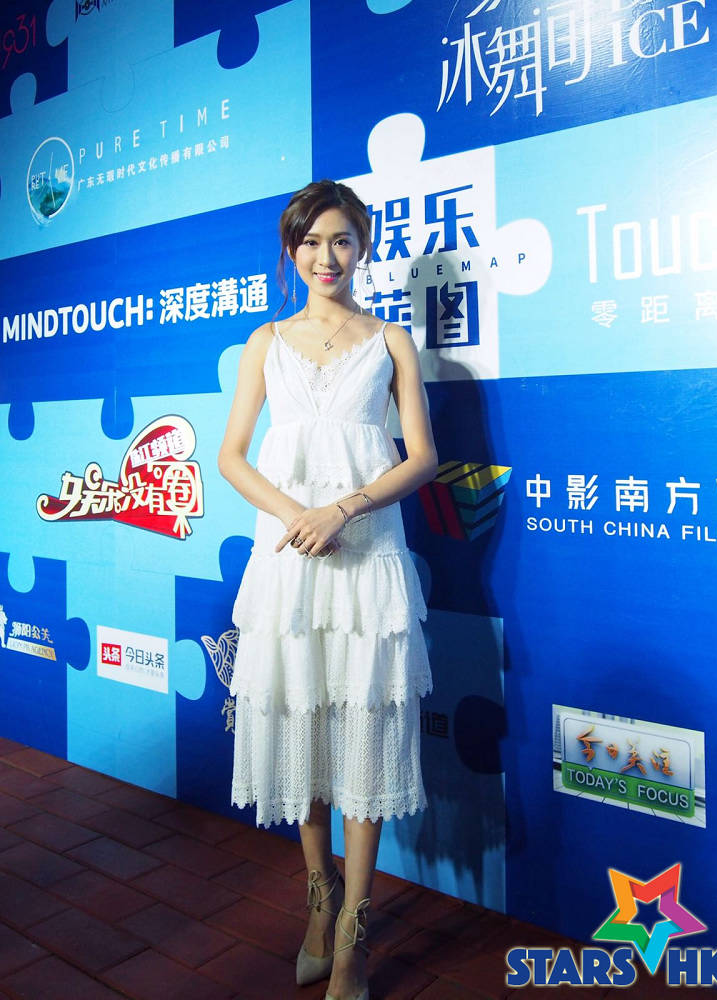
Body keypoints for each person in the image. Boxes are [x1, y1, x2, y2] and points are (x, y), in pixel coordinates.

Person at [218, 179, 437, 1000]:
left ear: (363, 247)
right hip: (289, 562)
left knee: (365, 729)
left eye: (342, 240)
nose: (326, 257)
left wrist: (343, 508)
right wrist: (298, 517)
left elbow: (422, 457)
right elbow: (232, 455)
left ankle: (353, 935)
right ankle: (318, 900)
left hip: (367, 560)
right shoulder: (265, 342)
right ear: (291, 251)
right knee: (301, 726)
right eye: (311, 242)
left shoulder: (391, 343)